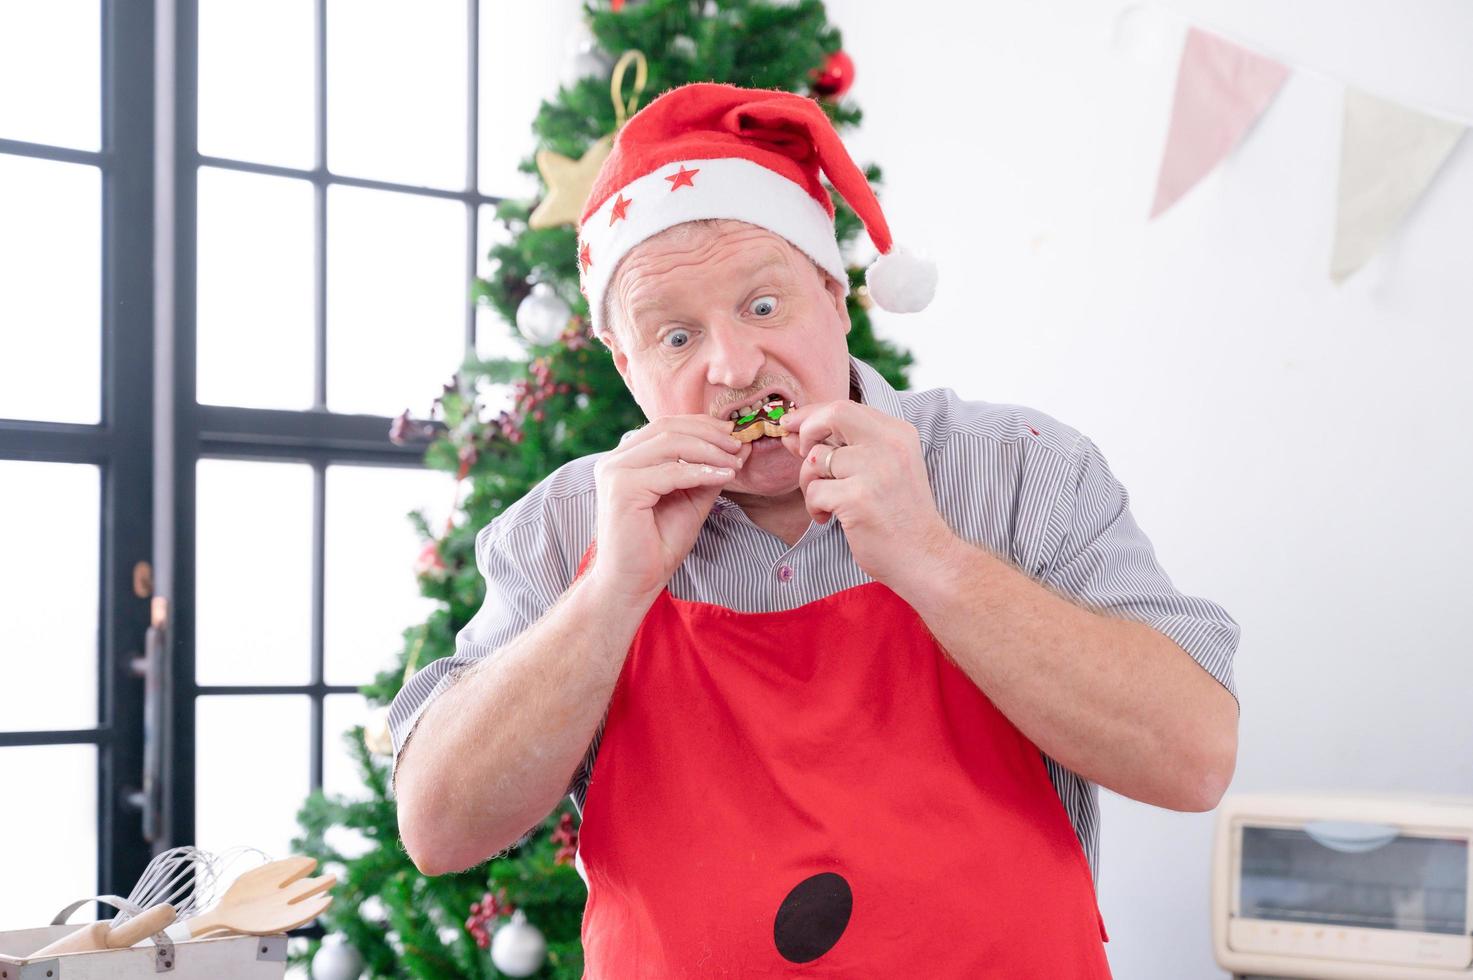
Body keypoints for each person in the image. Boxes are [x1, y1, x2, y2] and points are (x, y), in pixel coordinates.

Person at [390, 83, 1240, 976]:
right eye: (675, 337)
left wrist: (931, 558)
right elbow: (438, 828)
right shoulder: (564, 529)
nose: (733, 364)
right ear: (624, 363)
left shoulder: (1025, 469)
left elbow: (1190, 761)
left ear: (835, 297)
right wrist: (608, 596)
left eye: (763, 307)